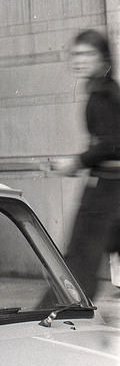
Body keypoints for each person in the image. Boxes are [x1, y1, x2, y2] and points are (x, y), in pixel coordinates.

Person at [49, 28, 120, 302]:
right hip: (108, 187)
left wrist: (77, 162)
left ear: (103, 58)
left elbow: (112, 143)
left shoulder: (104, 95)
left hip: (106, 190)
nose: (80, 60)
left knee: (80, 257)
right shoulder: (103, 90)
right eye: (76, 54)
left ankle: (65, 310)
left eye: (87, 53)